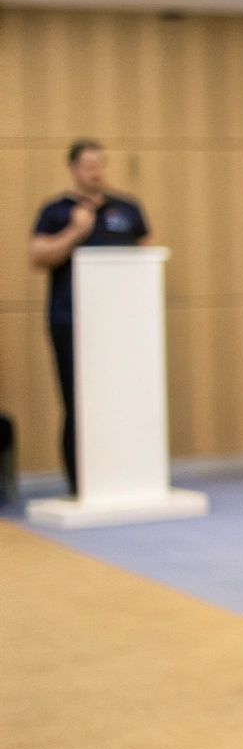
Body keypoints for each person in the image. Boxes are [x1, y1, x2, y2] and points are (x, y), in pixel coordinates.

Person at [28, 140, 150, 497]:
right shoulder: (55, 211)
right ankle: (80, 484)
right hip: (72, 322)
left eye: (101, 164)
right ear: (73, 169)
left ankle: (128, 476)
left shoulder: (128, 209)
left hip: (124, 327)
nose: (95, 171)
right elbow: (38, 256)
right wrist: (76, 233)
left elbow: (148, 257)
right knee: (77, 402)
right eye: (88, 165)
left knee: (127, 399)